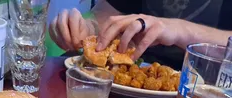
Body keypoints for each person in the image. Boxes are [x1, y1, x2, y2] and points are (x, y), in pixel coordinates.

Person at [49, 0, 232, 69]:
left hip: (208, 95)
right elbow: (106, 16)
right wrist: (86, 29)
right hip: (119, 85)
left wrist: (182, 30)